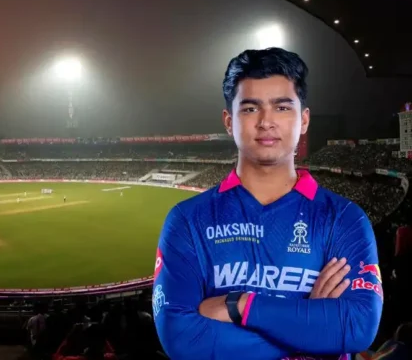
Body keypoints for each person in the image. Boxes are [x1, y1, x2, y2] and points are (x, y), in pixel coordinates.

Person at [152, 48, 382, 359]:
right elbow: (182, 340)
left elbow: (357, 327)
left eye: (282, 107)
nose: (266, 122)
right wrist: (309, 326)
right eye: (250, 108)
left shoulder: (344, 218)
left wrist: (239, 305)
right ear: (228, 121)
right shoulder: (187, 219)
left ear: (304, 120)